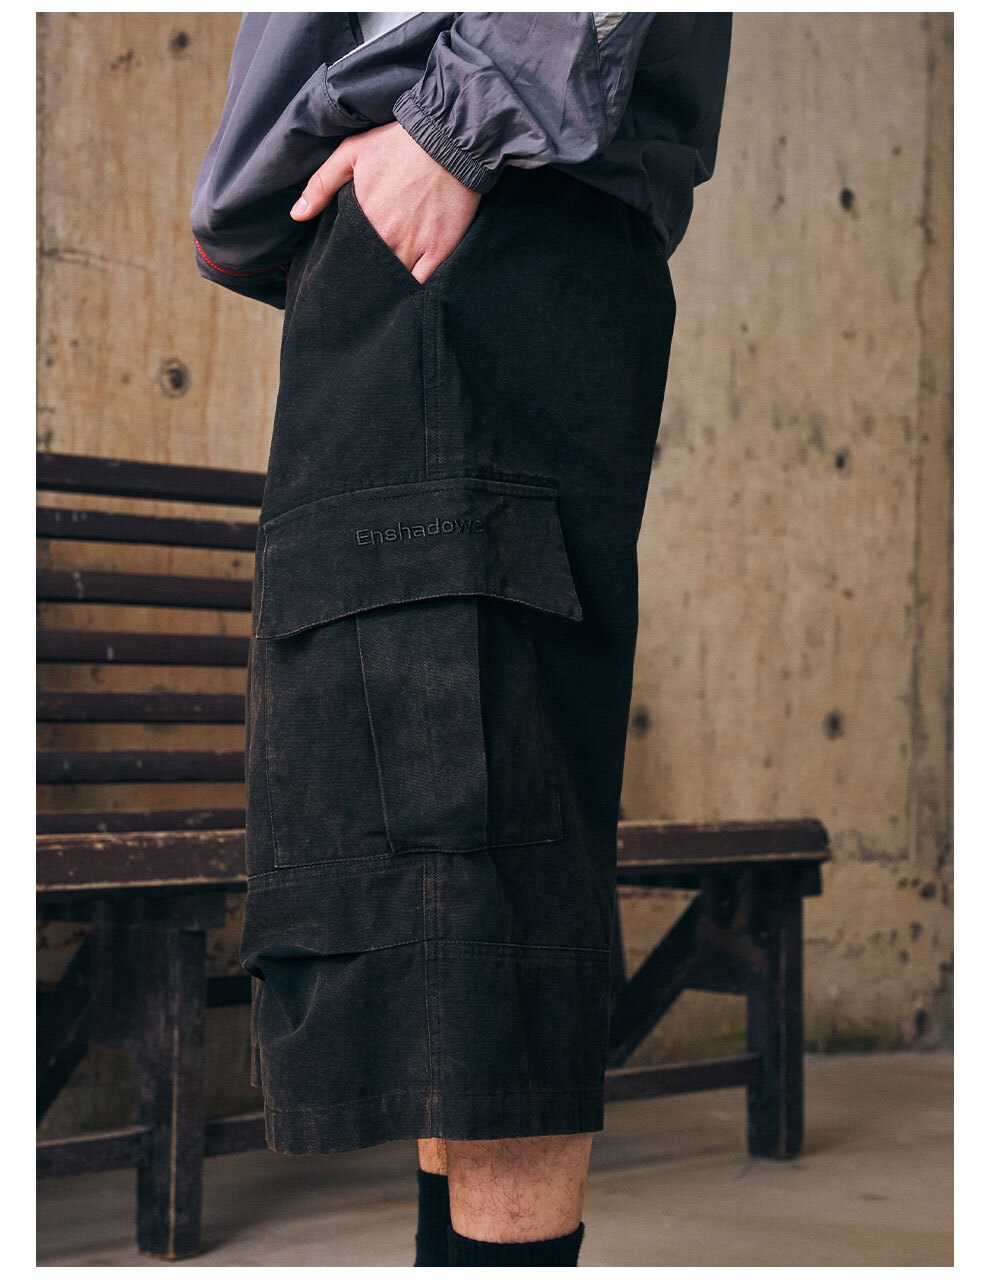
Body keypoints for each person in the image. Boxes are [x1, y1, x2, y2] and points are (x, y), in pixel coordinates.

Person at [191, 11, 732, 1268]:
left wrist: (455, 125)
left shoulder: (464, 149)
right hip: (403, 244)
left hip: (476, 202)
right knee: (412, 887)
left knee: (476, 895)